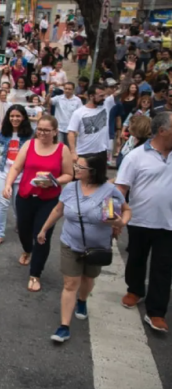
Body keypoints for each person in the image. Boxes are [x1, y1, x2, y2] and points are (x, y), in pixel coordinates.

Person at [37, 152, 130, 342]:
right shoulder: (70, 188)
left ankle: (82, 301)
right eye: (76, 166)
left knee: (88, 279)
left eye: (80, 167)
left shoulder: (109, 191)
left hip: (97, 247)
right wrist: (43, 230)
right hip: (70, 243)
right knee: (70, 283)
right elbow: (58, 210)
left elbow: (127, 209)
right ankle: (64, 326)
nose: (76, 170)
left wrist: (120, 223)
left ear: (93, 171)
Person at [116, 112, 172, 332]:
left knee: (163, 268)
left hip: (169, 224)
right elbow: (121, 189)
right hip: (140, 219)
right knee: (137, 259)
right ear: (162, 131)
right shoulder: (136, 156)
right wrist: (115, 220)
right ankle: (135, 290)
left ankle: (156, 312)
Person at [4, 115, 74, 292]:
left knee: (42, 236)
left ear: (55, 132)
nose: (42, 133)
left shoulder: (61, 149)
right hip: (26, 196)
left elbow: (69, 174)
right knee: (23, 230)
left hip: (48, 200)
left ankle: (35, 274)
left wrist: (55, 182)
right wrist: (8, 184)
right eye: (40, 129)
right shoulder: (29, 145)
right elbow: (16, 167)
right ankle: (27, 250)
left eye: (46, 130)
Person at [0, 105, 35, 248]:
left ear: (24, 117)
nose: (15, 119)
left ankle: (21, 225)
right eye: (12, 116)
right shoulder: (4, 133)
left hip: (22, 175)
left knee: (18, 205)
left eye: (18, 116)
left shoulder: (31, 135)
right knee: (3, 204)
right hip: (3, 173)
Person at [67, 85, 110, 162]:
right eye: (101, 96)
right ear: (91, 96)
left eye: (104, 95)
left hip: (101, 152)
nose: (104, 98)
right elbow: (71, 133)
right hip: (84, 153)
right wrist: (73, 152)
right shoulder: (79, 113)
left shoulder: (105, 107)